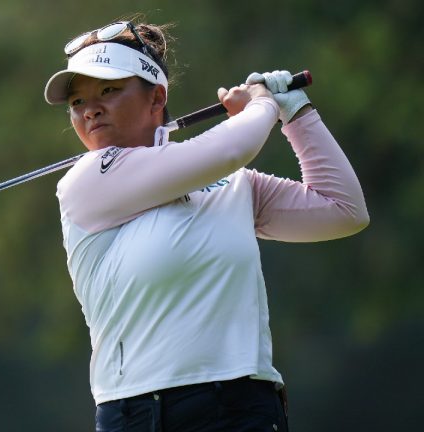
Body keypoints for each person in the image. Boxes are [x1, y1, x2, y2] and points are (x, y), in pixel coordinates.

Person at [43, 19, 369, 431]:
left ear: (156, 97)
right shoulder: (87, 180)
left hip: (245, 405)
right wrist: (263, 104)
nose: (90, 109)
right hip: (143, 412)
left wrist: (296, 112)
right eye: (77, 101)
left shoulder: (230, 184)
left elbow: (343, 209)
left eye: (108, 90)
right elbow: (231, 147)